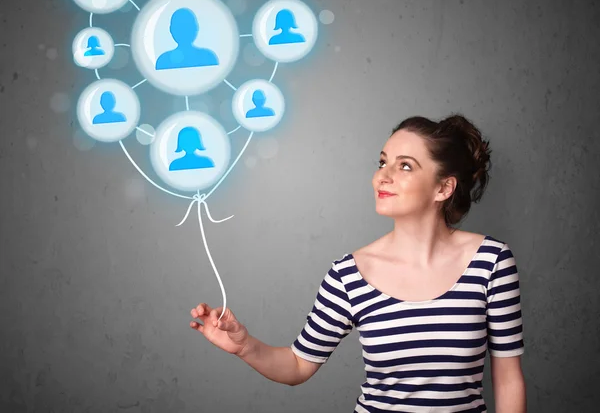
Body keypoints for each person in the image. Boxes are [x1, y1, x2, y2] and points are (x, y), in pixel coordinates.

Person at [189, 113, 526, 412]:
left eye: (404, 166)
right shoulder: (349, 274)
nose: (382, 176)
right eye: (382, 163)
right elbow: (297, 366)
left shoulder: (491, 262)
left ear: (443, 188)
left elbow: (508, 381)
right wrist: (245, 346)